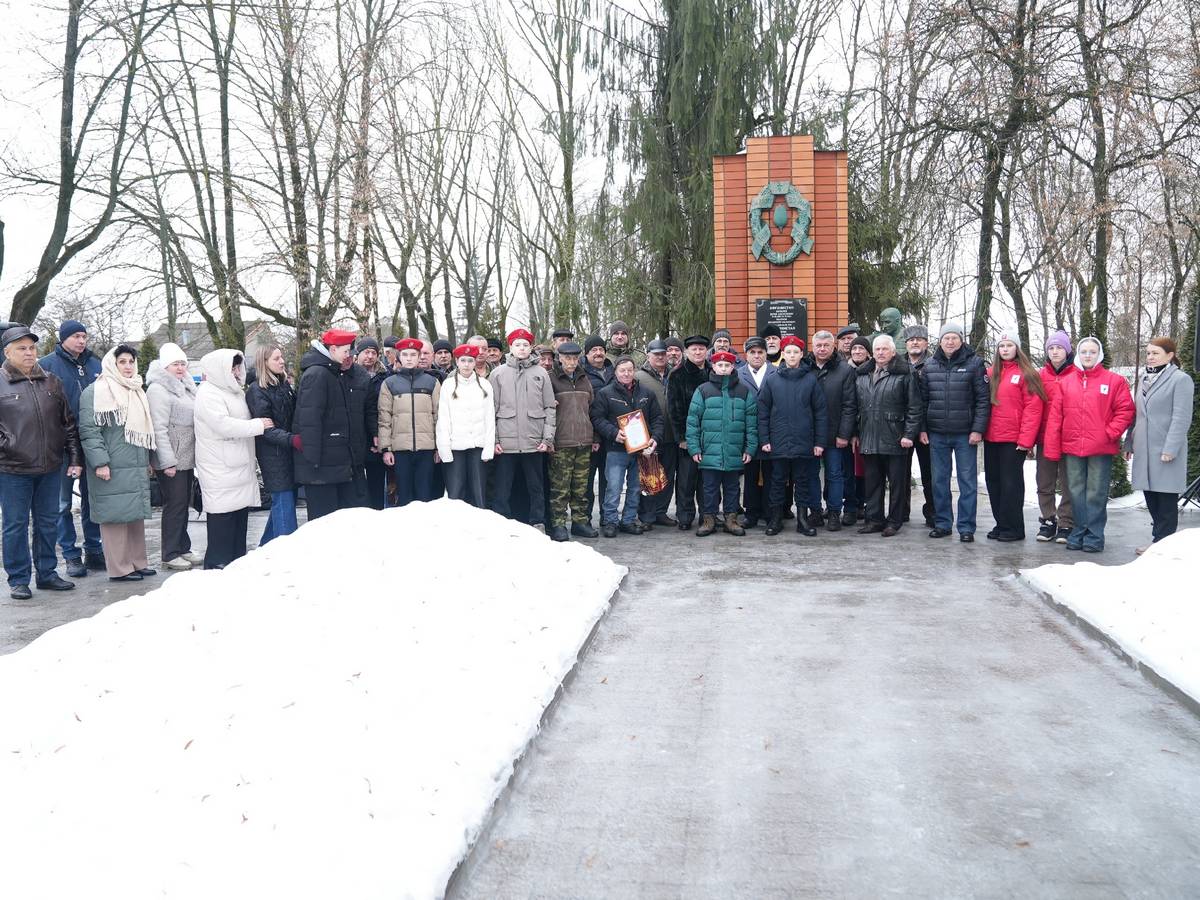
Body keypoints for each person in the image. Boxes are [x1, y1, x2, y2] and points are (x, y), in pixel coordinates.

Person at [0, 325, 83, 598]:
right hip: (12, 469)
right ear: (7, 353)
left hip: (50, 467)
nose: (29, 353)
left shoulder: (51, 381)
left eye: (32, 348)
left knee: (48, 522)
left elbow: (68, 423)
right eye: (21, 348)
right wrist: (8, 447)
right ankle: (18, 579)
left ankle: (47, 573)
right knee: (15, 525)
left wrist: (74, 457)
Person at [1043, 337, 1134, 553]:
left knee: (1096, 493)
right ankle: (1078, 532)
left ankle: (1094, 535)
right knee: (1075, 491)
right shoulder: (1066, 382)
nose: (1087, 356)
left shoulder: (1114, 381)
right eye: (1084, 352)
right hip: (1072, 447)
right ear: (1078, 354)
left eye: (1092, 352)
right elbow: (1056, 417)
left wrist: (1109, 433)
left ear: (1099, 354)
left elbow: (1126, 411)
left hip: (1100, 448)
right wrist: (1052, 446)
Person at [77, 344, 157, 582]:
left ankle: (138, 562)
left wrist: (146, 460)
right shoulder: (95, 391)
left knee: (134, 516)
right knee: (114, 517)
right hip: (110, 464)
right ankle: (120, 568)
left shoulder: (136, 389)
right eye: (122, 362)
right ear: (112, 364)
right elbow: (89, 431)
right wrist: (100, 462)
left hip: (135, 462)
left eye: (131, 361)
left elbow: (143, 429)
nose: (128, 366)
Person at [38, 318, 104, 577]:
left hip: (92, 441)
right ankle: (70, 554)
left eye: (84, 336)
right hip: (63, 445)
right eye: (76, 336)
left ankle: (94, 549)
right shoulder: (47, 366)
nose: (81, 341)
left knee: (93, 498)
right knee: (62, 503)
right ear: (63, 338)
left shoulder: (95, 364)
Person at [193, 349, 269, 568]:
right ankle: (216, 566)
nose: (236, 372)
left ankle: (235, 564)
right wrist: (258, 426)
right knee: (222, 520)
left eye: (238, 367)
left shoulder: (234, 392)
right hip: (220, 466)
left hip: (238, 465)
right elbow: (222, 425)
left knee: (238, 518)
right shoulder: (208, 393)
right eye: (232, 368)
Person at [920, 323, 990, 542]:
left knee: (967, 482)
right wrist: (922, 429)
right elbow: (922, 401)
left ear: (961, 340)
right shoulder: (929, 365)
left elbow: (983, 400)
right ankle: (942, 523)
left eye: (954, 338)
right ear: (940, 341)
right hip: (937, 433)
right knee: (939, 481)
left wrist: (977, 429)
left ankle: (966, 527)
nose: (950, 342)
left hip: (965, 435)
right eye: (946, 338)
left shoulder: (975, 364)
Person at [1124, 337, 1194, 553]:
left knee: (1165, 499)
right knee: (1151, 496)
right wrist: (1129, 442)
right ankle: (1159, 541)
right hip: (1144, 448)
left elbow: (1181, 417)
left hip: (1165, 449)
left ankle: (1163, 544)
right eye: (1148, 353)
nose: (1150, 357)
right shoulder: (1144, 378)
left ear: (1170, 355)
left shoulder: (1181, 380)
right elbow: (1137, 414)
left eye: (1155, 353)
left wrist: (1171, 448)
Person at [757, 336, 828, 536]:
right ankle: (776, 519)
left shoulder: (810, 380)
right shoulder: (772, 380)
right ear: (783, 354)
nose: (792, 356)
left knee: (802, 481)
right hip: (778, 441)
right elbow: (763, 412)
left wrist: (819, 442)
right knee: (777, 481)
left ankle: (802, 520)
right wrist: (765, 439)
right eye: (788, 352)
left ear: (801, 354)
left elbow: (820, 413)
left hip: (803, 441)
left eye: (795, 352)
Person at [853, 335, 922, 536]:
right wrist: (855, 432)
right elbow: (855, 406)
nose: (881, 353)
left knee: (897, 484)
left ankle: (894, 521)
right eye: (877, 349)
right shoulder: (862, 374)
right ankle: (874, 519)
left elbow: (914, 406)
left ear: (893, 352)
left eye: (885, 349)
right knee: (872, 483)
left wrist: (909, 434)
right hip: (869, 435)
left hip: (895, 436)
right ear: (872, 353)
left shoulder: (905, 372)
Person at [489, 328, 556, 528]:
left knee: (536, 487)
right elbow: (491, 410)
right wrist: (495, 440)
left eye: (525, 345)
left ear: (531, 347)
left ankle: (538, 522)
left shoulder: (541, 373)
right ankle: (502, 524)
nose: (521, 348)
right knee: (502, 488)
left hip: (533, 441)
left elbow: (549, 407)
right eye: (517, 344)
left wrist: (547, 439)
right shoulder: (498, 374)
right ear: (510, 347)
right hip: (506, 443)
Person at [685, 350, 758, 537]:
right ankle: (708, 519)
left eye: (727, 365)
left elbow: (751, 423)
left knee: (732, 487)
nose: (724, 368)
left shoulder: (743, 391)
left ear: (733, 367)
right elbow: (693, 422)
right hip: (709, 450)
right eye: (720, 365)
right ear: (714, 366)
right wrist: (694, 447)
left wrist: (750, 448)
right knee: (709, 487)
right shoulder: (703, 390)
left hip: (734, 450)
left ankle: (731, 519)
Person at [590, 356, 663, 536]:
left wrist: (655, 438)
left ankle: (628, 520)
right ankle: (610, 521)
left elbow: (657, 419)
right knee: (613, 487)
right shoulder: (605, 393)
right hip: (616, 450)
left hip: (641, 450)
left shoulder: (646, 393)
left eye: (630, 370)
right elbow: (597, 418)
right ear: (615, 372)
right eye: (622, 370)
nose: (626, 374)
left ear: (634, 371)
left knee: (635, 487)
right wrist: (614, 433)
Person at [983, 333, 1045, 541]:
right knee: (994, 482)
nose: (1005, 349)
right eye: (1002, 346)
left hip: (1013, 439)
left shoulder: (1026, 374)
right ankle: (1001, 523)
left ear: (1017, 348)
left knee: (1011, 484)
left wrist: (1026, 440)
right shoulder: (990, 373)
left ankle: (1014, 527)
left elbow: (1033, 409)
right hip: (992, 437)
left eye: (1009, 345)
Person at [146, 342, 202, 569]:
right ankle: (169, 554)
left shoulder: (185, 386)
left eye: (182, 363)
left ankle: (183, 547)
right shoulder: (158, 390)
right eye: (175, 364)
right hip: (171, 458)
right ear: (164, 366)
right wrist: (166, 461)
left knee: (183, 503)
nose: (180, 368)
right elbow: (158, 428)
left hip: (186, 456)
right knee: (175, 505)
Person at [294, 329, 358, 519]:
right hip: (321, 467)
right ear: (333, 349)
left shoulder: (330, 371)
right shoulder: (318, 374)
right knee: (323, 521)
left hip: (331, 462)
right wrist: (313, 461)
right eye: (345, 351)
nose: (348, 355)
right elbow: (310, 420)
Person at [378, 337, 441, 506]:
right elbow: (384, 418)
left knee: (425, 495)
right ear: (399, 357)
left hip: (426, 449)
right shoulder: (389, 383)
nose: (409, 358)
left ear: (419, 356)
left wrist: (439, 447)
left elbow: (438, 416)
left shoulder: (432, 382)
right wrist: (386, 449)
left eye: (413, 354)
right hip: (401, 449)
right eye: (405, 355)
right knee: (404, 496)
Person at [246, 344, 298, 545]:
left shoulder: (282, 385)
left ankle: (265, 547)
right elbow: (266, 429)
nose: (282, 361)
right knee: (284, 502)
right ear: (264, 362)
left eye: (281, 357)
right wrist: (292, 439)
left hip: (287, 451)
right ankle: (286, 550)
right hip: (273, 455)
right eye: (276, 358)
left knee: (284, 503)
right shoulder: (257, 390)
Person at [806, 330, 856, 531]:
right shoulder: (805, 367)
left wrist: (844, 434)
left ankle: (834, 512)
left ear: (833, 346)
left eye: (826, 345)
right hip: (809, 434)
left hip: (835, 434)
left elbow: (849, 405)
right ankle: (815, 511)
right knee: (811, 474)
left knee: (835, 474)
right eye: (818, 345)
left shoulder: (845, 370)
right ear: (812, 347)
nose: (822, 349)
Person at [547, 342, 597, 541]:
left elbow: (593, 409)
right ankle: (558, 524)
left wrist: (594, 437)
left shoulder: (585, 379)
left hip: (584, 441)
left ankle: (580, 522)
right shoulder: (551, 379)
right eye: (567, 358)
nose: (571, 362)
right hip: (561, 442)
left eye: (575, 358)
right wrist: (549, 440)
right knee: (560, 487)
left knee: (581, 487)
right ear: (559, 358)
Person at [436, 344, 495, 507]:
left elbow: (490, 418)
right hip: (455, 445)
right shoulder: (448, 385)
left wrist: (488, 447)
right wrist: (444, 448)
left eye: (470, 360)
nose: (467, 365)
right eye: (463, 360)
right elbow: (443, 418)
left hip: (478, 444)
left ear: (475, 362)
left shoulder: (484, 385)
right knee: (455, 491)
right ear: (457, 362)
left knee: (479, 491)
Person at [667, 335, 711, 530]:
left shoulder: (713, 371)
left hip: (711, 435)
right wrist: (681, 437)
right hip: (688, 436)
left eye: (701, 348)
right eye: (694, 349)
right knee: (686, 479)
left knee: (707, 479)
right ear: (686, 352)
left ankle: (707, 515)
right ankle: (685, 516)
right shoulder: (677, 374)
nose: (698, 352)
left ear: (707, 351)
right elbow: (673, 409)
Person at [1035, 331, 1076, 542]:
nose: (1055, 352)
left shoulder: (1077, 374)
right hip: (1045, 436)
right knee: (1044, 481)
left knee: (1068, 482)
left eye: (1059, 347)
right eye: (1051, 348)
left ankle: (1066, 522)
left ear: (1067, 350)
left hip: (1068, 437)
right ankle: (1048, 519)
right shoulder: (1040, 375)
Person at [635, 339, 677, 527]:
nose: (660, 357)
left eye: (663, 353)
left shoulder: (674, 374)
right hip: (649, 437)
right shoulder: (639, 376)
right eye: (656, 354)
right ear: (648, 355)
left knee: (667, 476)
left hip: (672, 435)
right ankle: (646, 515)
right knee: (648, 477)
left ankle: (661, 512)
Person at [737, 336, 774, 527]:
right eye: (753, 352)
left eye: (760, 352)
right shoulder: (737, 374)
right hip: (747, 432)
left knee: (770, 474)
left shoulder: (776, 372)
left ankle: (770, 512)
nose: (757, 356)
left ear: (766, 354)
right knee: (750, 474)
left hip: (771, 432)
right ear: (746, 355)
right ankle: (751, 513)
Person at [901, 325, 935, 527]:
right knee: (901, 473)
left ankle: (932, 512)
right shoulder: (898, 364)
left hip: (927, 429)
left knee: (929, 473)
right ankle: (901, 511)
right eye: (911, 339)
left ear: (926, 343)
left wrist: (923, 427)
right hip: (903, 427)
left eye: (919, 339)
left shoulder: (934, 364)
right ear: (906, 344)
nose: (915, 342)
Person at [352, 338, 388, 510]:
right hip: (357, 437)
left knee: (376, 485)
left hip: (377, 437)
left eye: (374, 353)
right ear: (358, 354)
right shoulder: (350, 375)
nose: (370, 356)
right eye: (366, 352)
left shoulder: (385, 377)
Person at [582, 336, 614, 525]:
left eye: (601, 349)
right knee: (587, 481)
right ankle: (584, 517)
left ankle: (606, 515)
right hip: (589, 435)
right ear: (586, 353)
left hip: (611, 434)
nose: (598, 353)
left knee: (608, 479)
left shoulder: (613, 371)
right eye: (593, 350)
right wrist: (594, 435)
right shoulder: (581, 373)